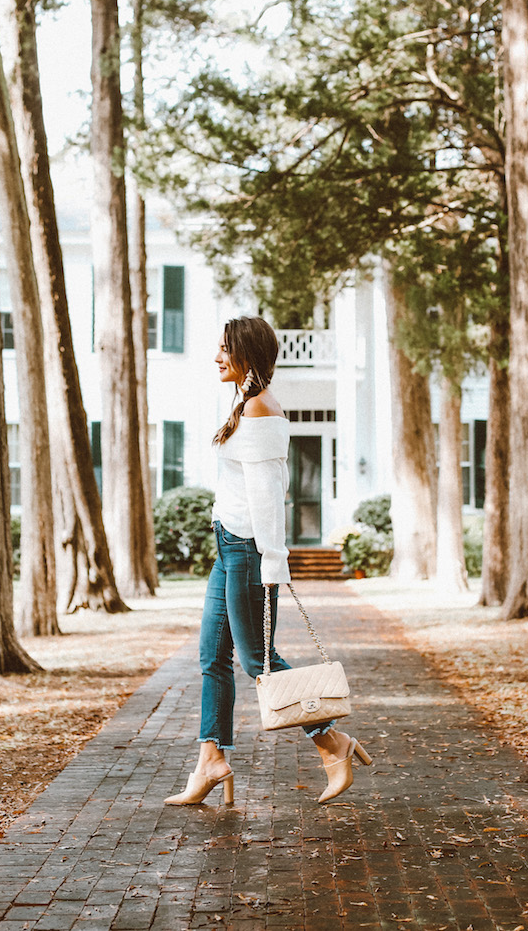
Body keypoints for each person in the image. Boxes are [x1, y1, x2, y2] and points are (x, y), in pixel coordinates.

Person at [164, 315, 371, 806]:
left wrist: (274, 567)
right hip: (229, 547)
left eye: (224, 349)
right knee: (212, 659)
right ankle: (211, 760)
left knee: (257, 659)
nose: (216, 357)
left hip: (249, 553)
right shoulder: (246, 403)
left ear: (247, 355)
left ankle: (332, 742)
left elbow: (268, 497)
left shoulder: (259, 409)